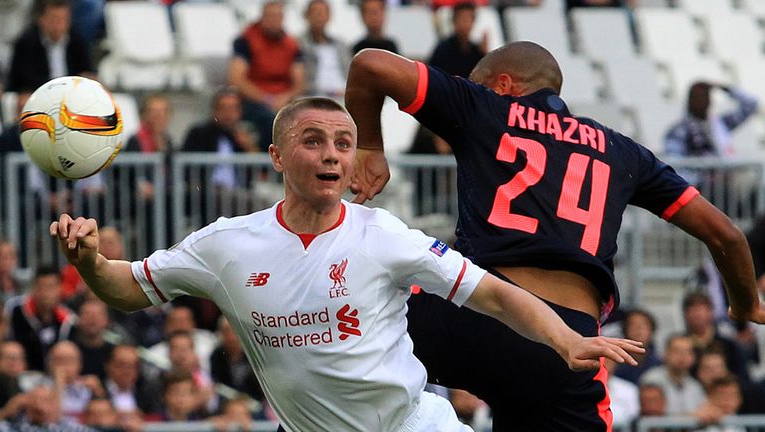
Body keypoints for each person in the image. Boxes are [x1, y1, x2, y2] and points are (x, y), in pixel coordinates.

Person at [50, 97, 643, 432]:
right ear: (278, 155)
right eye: (313, 140)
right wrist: (90, 260)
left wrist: (564, 339)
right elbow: (127, 288)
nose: (332, 154)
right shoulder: (226, 245)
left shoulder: (382, 235)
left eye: (343, 142)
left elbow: (493, 293)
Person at [344, 42, 765, 431]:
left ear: (502, 84)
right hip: (570, 344)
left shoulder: (485, 107)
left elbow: (370, 65)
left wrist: (369, 146)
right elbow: (726, 234)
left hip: (476, 314)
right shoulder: (622, 151)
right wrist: (745, 303)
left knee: (335, 337)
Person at [228, 0, 305, 151]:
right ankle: (269, 167)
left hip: (283, 99)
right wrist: (266, 99)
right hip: (254, 100)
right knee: (272, 121)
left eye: (278, 17)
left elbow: (300, 82)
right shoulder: (246, 41)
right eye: (270, 17)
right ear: (262, 17)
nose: (275, 21)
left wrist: (286, 96)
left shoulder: (292, 44)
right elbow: (237, 78)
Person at [6, 0, 94, 92]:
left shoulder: (76, 40)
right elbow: (19, 80)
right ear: (41, 20)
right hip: (39, 93)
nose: (59, 25)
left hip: (71, 93)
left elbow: (86, 70)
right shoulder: (26, 43)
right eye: (54, 19)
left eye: (63, 19)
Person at [4, 264, 75, 371]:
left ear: (60, 288)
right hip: (19, 374)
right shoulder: (15, 309)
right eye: (41, 286)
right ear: (34, 287)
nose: (46, 292)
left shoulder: (68, 319)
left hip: (54, 378)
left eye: (51, 287)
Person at [640, 335, 705, 416]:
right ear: (665, 354)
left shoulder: (695, 386)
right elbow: (652, 413)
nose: (682, 356)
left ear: (693, 358)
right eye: (677, 351)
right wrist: (693, 416)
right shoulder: (651, 379)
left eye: (688, 352)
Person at [299, 0, 352, 99]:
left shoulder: (341, 45)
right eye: (315, 13)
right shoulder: (299, 44)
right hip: (313, 97)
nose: (319, 17)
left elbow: (351, 74)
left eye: (322, 13)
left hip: (343, 95)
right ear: (307, 16)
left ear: (329, 16)